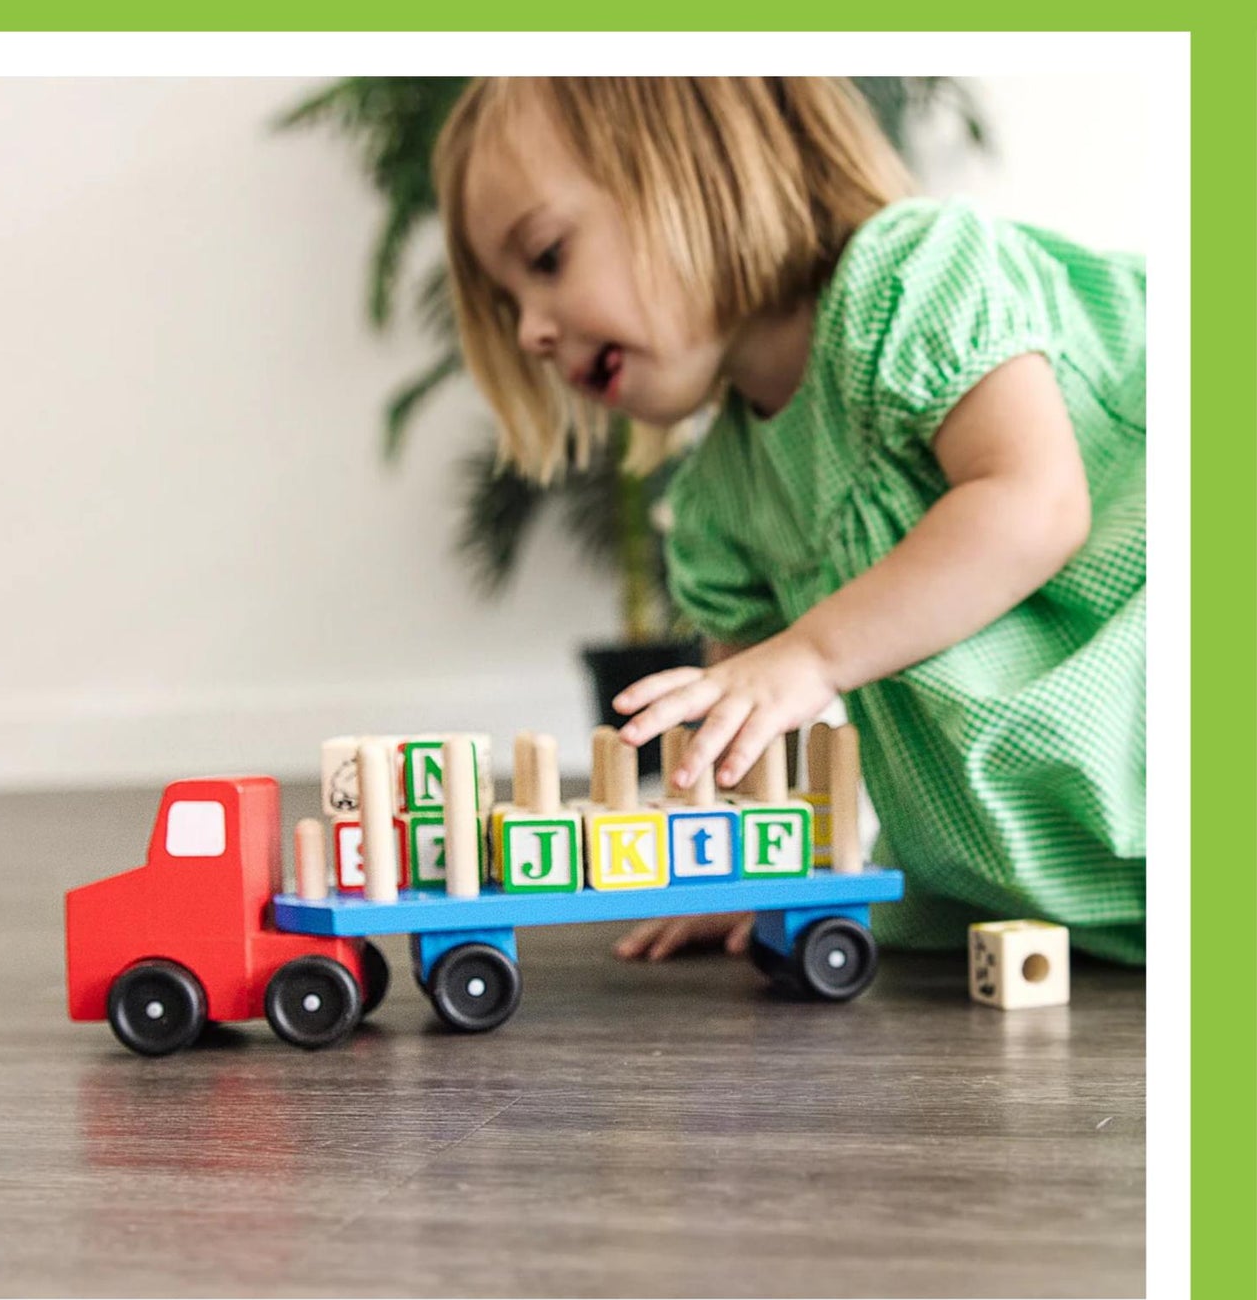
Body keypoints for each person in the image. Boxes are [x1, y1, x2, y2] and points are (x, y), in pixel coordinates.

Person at [432, 78, 1145, 966]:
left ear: (699, 165)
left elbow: (1033, 504)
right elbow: (732, 745)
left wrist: (808, 654)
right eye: (511, 309)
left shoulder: (912, 276)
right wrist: (719, 870)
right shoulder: (719, 498)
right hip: (1049, 864)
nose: (533, 331)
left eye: (543, 258)